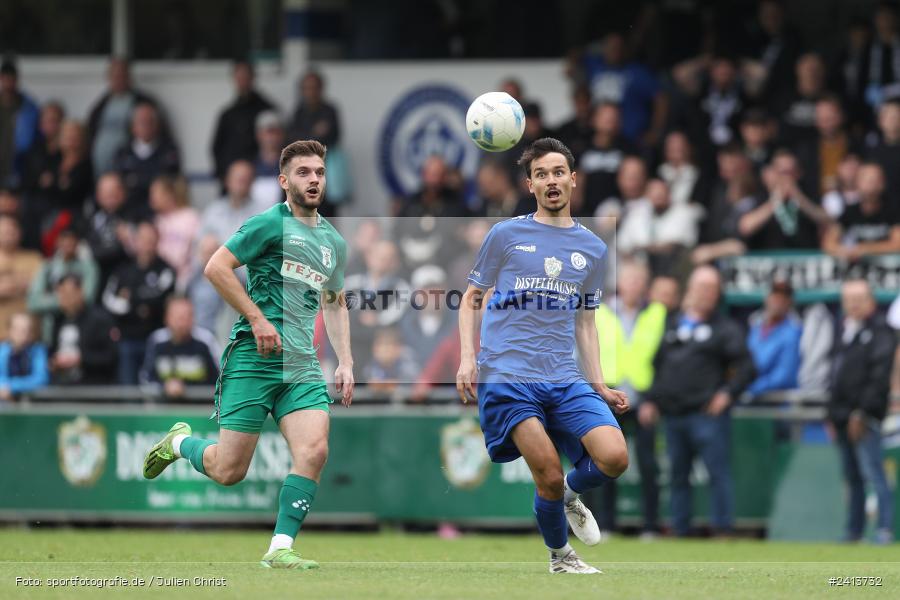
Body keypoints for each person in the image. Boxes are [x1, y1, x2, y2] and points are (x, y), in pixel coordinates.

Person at [143, 140, 354, 570]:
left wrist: (346, 360)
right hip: (253, 357)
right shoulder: (266, 225)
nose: (314, 179)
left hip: (300, 364)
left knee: (314, 450)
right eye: (303, 172)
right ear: (283, 182)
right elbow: (216, 267)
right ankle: (179, 442)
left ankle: (280, 548)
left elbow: (334, 301)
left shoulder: (333, 241)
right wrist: (257, 318)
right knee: (228, 470)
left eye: (319, 172)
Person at [457, 137, 629, 574]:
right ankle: (560, 557)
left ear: (573, 179)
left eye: (557, 173)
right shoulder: (507, 234)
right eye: (541, 175)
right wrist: (465, 357)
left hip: (563, 373)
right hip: (508, 372)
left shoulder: (593, 248)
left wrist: (599, 383)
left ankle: (573, 495)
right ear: (529, 185)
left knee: (614, 456)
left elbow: (585, 322)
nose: (550, 181)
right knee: (547, 473)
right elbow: (472, 297)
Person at [643, 266, 756, 537]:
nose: (705, 293)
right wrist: (651, 399)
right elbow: (657, 366)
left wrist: (727, 394)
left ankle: (722, 529)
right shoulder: (671, 324)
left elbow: (747, 367)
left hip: (706, 414)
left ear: (718, 294)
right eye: (700, 287)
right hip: (673, 414)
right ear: (689, 290)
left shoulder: (725, 328)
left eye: (711, 288)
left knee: (718, 474)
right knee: (677, 477)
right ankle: (680, 530)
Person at [593, 261, 667, 538]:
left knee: (649, 465)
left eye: (639, 279)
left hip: (643, 399)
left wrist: (652, 399)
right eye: (630, 279)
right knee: (604, 463)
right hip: (608, 398)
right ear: (619, 283)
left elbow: (664, 361)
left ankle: (650, 526)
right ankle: (606, 524)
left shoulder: (657, 313)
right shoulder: (600, 311)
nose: (634, 285)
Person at [828, 279, 896, 544]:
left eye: (859, 299)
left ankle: (884, 530)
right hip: (842, 415)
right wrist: (832, 414)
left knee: (874, 474)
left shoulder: (881, 331)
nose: (854, 305)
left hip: (865, 416)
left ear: (871, 301)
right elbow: (835, 377)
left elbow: (878, 377)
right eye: (849, 299)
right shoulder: (843, 329)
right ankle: (853, 531)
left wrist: (861, 412)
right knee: (852, 477)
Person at [101, 221, 176, 384]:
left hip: (157, 338)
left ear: (157, 241)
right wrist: (140, 306)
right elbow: (108, 301)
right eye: (143, 239)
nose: (147, 244)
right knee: (128, 388)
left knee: (155, 386)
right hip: (127, 338)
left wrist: (131, 297)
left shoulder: (165, 269)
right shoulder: (122, 271)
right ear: (135, 241)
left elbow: (159, 298)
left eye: (151, 239)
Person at [87, 57, 163, 178]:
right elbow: (90, 131)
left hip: (128, 166)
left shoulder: (141, 101)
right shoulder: (102, 104)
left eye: (122, 74)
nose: (118, 79)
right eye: (114, 75)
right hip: (100, 168)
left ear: (129, 77)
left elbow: (156, 131)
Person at [26, 227, 100, 345]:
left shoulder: (88, 267)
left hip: (81, 328)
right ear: (57, 243)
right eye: (64, 242)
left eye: (71, 242)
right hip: (51, 330)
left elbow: (87, 298)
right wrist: (61, 301)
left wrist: (55, 298)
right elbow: (33, 301)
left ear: (78, 244)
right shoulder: (48, 267)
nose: (67, 245)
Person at [141, 296, 220, 399]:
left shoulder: (206, 340)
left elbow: (222, 378)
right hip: (164, 410)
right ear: (167, 318)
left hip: (200, 409)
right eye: (178, 317)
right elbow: (146, 379)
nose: (182, 323)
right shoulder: (157, 341)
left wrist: (187, 389)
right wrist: (164, 387)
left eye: (187, 317)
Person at [211, 61, 275, 185]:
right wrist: (224, 177)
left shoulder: (266, 110)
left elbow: (276, 148)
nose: (242, 81)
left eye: (245, 77)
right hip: (233, 181)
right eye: (239, 78)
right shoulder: (227, 114)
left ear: (253, 78)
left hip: (261, 179)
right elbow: (216, 148)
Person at [48, 275, 119, 385]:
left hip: (93, 388)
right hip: (61, 387)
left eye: (68, 293)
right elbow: (52, 352)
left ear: (80, 291)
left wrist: (81, 360)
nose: (63, 298)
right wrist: (54, 363)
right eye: (60, 293)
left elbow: (111, 356)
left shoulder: (100, 319)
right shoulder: (57, 320)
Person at [821, 162, 900, 259]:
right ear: (857, 182)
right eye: (866, 179)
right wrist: (846, 251)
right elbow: (829, 243)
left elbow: (897, 244)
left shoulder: (893, 210)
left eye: (874, 180)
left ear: (882, 183)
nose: (870, 184)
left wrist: (865, 249)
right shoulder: (850, 211)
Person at [113, 102, 180, 214]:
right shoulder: (123, 152)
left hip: (160, 209)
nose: (146, 126)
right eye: (141, 122)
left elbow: (169, 180)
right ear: (132, 126)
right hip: (129, 207)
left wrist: (136, 180)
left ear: (157, 125)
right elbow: (120, 182)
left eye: (150, 122)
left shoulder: (168, 149)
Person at [746, 280, 802, 396]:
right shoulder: (756, 328)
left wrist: (750, 387)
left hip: (777, 405)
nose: (777, 301)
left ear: (789, 302)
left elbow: (784, 377)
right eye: (775, 296)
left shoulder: (793, 332)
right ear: (767, 298)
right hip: (750, 400)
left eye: (783, 298)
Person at [149, 175, 199, 287]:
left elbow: (189, 253)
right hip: (160, 276)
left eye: (155, 193)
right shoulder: (157, 220)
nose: (151, 198)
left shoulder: (190, 217)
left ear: (169, 195)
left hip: (185, 278)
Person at [0, 215, 43, 340]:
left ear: (20, 233)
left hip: (30, 334)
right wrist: (21, 284)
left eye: (13, 231)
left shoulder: (34, 258)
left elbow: (40, 286)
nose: (9, 235)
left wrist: (8, 285)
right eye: (5, 232)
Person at [0, 58, 39, 188]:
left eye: (12, 78)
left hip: (20, 169)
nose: (9, 83)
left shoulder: (29, 108)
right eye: (6, 78)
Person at [0, 312, 49, 402]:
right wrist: (3, 387)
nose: (25, 334)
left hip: (33, 402)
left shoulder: (38, 350)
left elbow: (41, 379)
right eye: (20, 330)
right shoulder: (2, 350)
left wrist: (11, 386)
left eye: (28, 330)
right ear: (10, 331)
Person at [287, 71, 341, 149]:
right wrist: (314, 133)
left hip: (326, 153)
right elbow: (292, 137)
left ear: (321, 89)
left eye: (314, 88)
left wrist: (307, 136)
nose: (311, 92)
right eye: (307, 88)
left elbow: (332, 139)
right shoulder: (298, 111)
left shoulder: (329, 111)